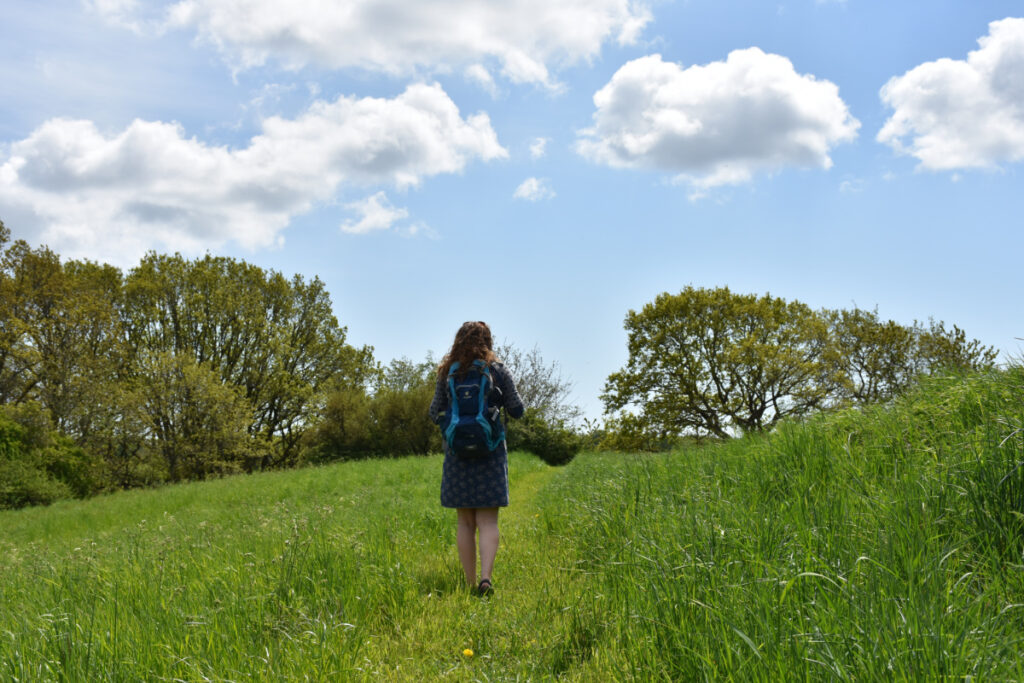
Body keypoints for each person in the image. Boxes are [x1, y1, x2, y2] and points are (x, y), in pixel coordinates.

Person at [429, 321, 524, 595]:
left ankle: (470, 584)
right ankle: (486, 578)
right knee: (488, 522)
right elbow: (517, 410)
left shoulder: (447, 372)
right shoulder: (497, 370)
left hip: (457, 455)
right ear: (488, 341)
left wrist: (454, 427)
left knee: (465, 522)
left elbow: (434, 412)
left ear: (457, 341)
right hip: (491, 452)